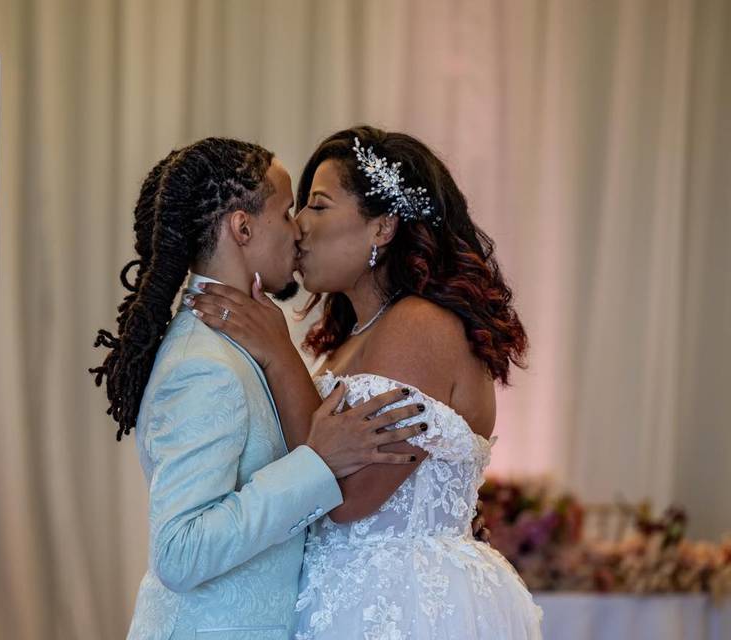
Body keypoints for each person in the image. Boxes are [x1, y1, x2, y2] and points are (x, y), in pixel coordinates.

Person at [188, 126, 543, 638]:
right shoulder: (353, 338)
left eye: (318, 205)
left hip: (400, 607)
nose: (298, 227)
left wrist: (277, 352)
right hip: (339, 595)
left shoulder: (419, 325)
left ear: (382, 227)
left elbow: (352, 497)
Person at [90, 137, 425, 639]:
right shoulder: (203, 363)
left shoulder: (235, 342)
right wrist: (318, 463)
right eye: (288, 211)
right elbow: (179, 551)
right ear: (242, 227)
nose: (300, 232)